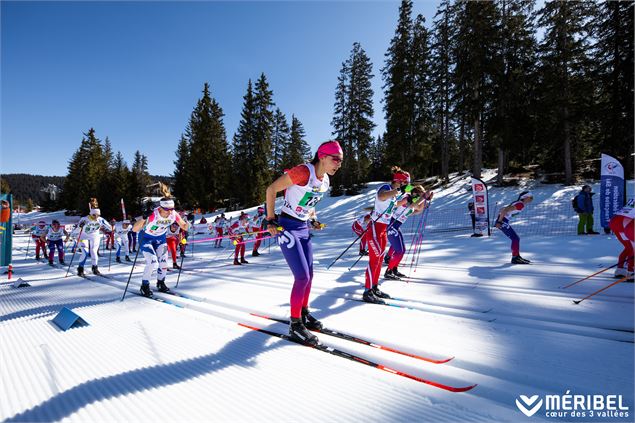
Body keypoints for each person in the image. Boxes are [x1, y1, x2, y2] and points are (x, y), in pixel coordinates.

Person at [265, 140, 342, 346]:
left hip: (302, 227)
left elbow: (310, 201)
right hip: (287, 226)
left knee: (310, 275)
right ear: (322, 156)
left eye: (341, 161)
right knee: (301, 276)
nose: (338, 164)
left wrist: (313, 219)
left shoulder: (325, 181)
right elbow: (271, 189)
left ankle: (304, 313)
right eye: (335, 159)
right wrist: (270, 219)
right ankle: (295, 324)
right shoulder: (303, 172)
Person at [363, 167, 411, 304]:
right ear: (398, 182)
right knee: (374, 259)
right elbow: (381, 196)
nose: (404, 187)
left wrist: (405, 201)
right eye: (403, 184)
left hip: (383, 229)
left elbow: (393, 205)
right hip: (375, 228)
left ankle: (374, 287)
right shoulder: (385, 188)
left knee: (379, 260)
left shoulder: (395, 195)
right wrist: (398, 191)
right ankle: (367, 291)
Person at [132, 190, 189, 297]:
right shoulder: (153, 214)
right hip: (146, 238)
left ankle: (161, 283)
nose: (169, 212)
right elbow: (135, 229)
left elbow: (184, 226)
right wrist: (144, 217)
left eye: (172, 209)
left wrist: (188, 222)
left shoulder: (173, 214)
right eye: (167, 209)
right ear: (161, 207)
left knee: (163, 262)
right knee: (152, 262)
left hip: (160, 239)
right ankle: (144, 286)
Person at [385, 186, 431, 280]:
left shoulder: (414, 201)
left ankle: (393, 269)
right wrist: (424, 197)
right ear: (415, 194)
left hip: (395, 226)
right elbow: (411, 205)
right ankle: (389, 271)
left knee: (401, 250)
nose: (419, 198)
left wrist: (426, 199)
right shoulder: (407, 198)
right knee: (400, 250)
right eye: (419, 195)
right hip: (392, 225)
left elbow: (419, 210)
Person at [75, 198, 113, 276]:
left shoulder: (100, 220)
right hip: (83, 237)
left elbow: (110, 228)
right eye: (94, 215)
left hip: (94, 236)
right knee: (85, 252)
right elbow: (76, 230)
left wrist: (111, 226)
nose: (96, 216)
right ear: (90, 214)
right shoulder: (84, 219)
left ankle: (95, 267)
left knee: (94, 251)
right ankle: (80, 268)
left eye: (97, 215)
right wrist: (80, 226)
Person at [495, 191, 534, 264]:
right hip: (503, 221)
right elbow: (504, 210)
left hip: (503, 221)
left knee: (516, 238)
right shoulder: (520, 204)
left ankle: (517, 256)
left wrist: (501, 218)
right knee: (515, 238)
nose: (532, 199)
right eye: (531, 198)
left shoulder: (518, 203)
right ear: (525, 197)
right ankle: (515, 258)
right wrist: (499, 221)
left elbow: (503, 209)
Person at [609, 198, 634, 281]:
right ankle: (631, 271)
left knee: (629, 248)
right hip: (626, 222)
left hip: (615, 221)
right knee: (632, 249)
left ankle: (620, 269)